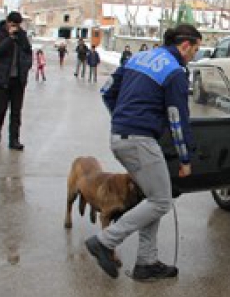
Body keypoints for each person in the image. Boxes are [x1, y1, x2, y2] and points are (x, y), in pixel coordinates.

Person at [85, 24, 202, 282]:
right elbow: (177, 119)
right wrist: (185, 159)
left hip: (120, 136)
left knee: (153, 199)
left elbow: (107, 92)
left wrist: (123, 118)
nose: (195, 54)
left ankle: (146, 262)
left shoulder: (138, 57)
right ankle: (105, 241)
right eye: (196, 48)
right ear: (185, 45)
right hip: (140, 141)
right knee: (161, 200)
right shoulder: (175, 72)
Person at [0, 11, 33, 151]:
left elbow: (28, 51)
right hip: (2, 79)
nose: (15, 27)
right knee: (1, 109)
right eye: (12, 24)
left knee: (16, 112)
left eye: (17, 25)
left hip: (18, 80)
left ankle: (14, 140)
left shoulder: (22, 35)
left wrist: (26, 67)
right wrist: (9, 38)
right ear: (7, 22)